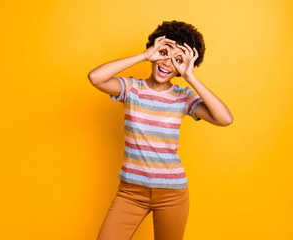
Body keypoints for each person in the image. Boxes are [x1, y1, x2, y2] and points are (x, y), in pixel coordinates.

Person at [88, 20, 233, 240]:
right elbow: (95, 77)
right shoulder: (131, 89)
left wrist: (190, 76)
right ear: (154, 50)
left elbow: (225, 119)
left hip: (173, 195)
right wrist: (144, 55)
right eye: (164, 52)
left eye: (178, 59)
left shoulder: (184, 96)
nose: (167, 62)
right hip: (130, 193)